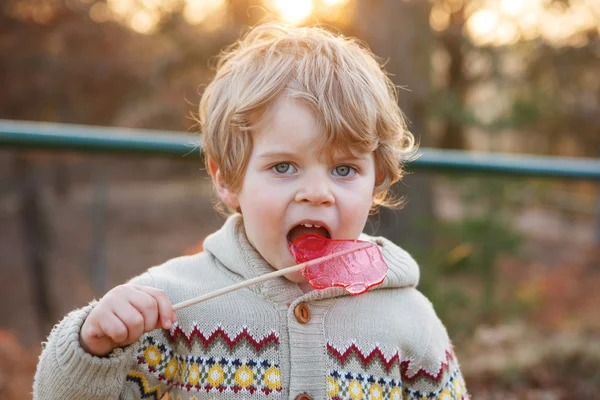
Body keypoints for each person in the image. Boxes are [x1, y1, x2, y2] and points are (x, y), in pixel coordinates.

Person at [34, 23, 468, 400]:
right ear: (227, 179)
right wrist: (93, 347)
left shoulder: (409, 318)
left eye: (344, 169)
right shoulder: (172, 304)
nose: (317, 193)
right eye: (284, 167)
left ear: (377, 181)